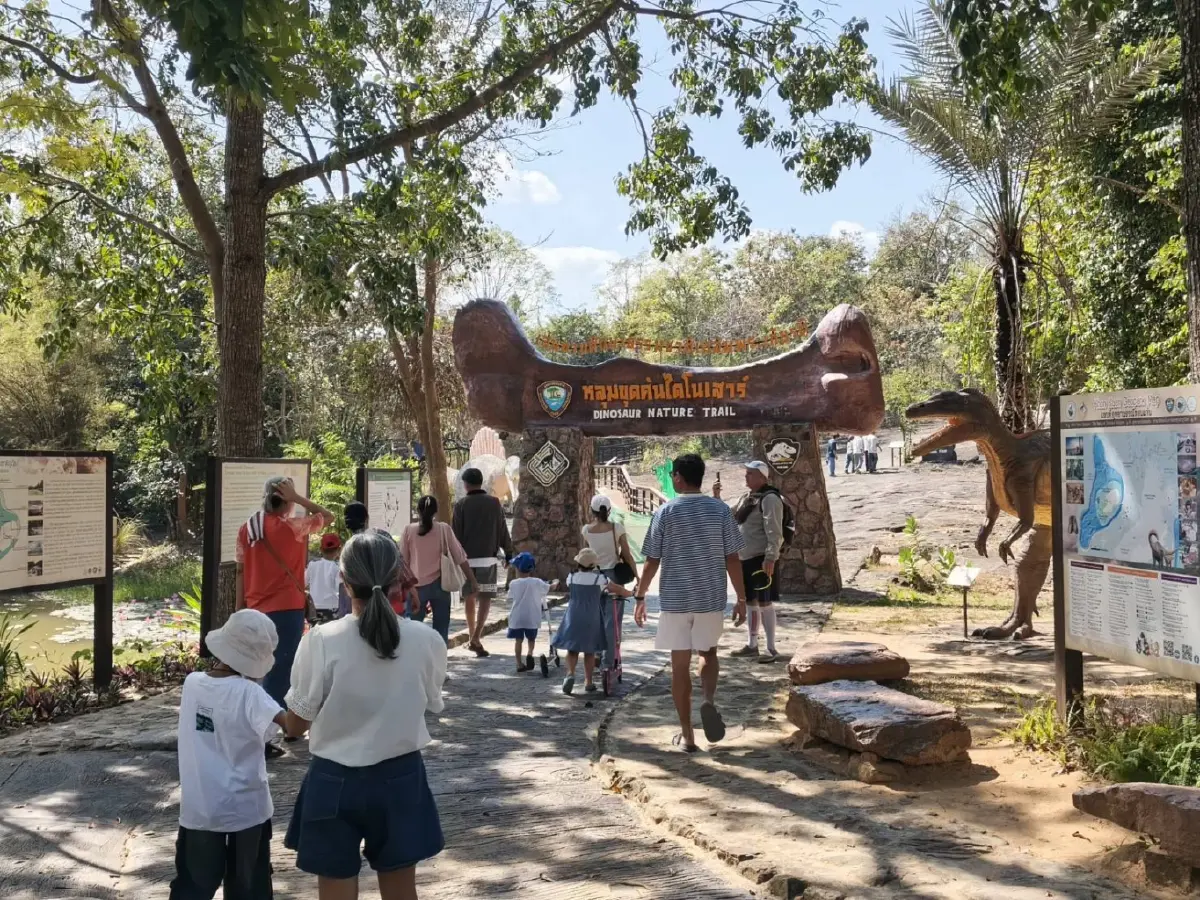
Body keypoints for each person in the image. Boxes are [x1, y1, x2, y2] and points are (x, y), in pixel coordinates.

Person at [284, 531, 447, 900]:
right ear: (396, 581)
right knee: (402, 891)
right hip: (401, 777)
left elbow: (297, 723)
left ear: (343, 582)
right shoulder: (426, 640)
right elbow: (432, 703)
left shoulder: (321, 640)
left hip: (333, 779)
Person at [634, 454, 746, 752]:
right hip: (709, 597)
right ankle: (708, 700)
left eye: (673, 475)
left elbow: (651, 560)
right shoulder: (720, 510)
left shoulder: (665, 512)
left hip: (675, 600)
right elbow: (733, 557)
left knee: (679, 666)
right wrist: (742, 598)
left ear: (679, 477)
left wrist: (640, 595)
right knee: (708, 653)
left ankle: (687, 736)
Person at [171, 609, 286, 900]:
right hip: (247, 809)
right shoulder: (251, 694)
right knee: (248, 888)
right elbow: (291, 725)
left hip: (200, 810)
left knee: (192, 887)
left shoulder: (193, 683)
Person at [235, 476, 333, 758]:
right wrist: (299, 498)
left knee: (254, 672)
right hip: (287, 609)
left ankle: (260, 730)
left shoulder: (248, 529)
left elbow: (240, 570)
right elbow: (328, 516)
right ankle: (268, 734)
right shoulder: (294, 527)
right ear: (287, 501)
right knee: (279, 673)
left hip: (254, 608)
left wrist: (241, 608)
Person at [718, 461, 784, 662]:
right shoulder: (747, 498)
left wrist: (771, 557)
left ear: (762, 477)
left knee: (765, 602)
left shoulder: (771, 499)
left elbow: (774, 531)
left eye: (750, 474)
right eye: (746, 473)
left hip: (761, 558)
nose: (746, 477)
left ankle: (771, 648)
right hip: (745, 558)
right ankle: (752, 644)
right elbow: (730, 515)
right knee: (751, 602)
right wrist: (716, 498)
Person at [453, 467, 514, 656]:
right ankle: (476, 637)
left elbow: (455, 534)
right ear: (481, 482)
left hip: (466, 561)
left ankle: (472, 634)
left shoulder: (461, 505)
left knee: (469, 598)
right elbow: (503, 529)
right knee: (485, 599)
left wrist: (455, 558)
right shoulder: (495, 503)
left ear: (465, 484)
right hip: (488, 559)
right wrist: (509, 553)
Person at [402, 495, 478, 644]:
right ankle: (440, 660)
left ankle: (416, 658)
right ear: (436, 511)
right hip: (440, 585)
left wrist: (405, 587)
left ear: (418, 510)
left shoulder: (409, 530)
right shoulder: (444, 529)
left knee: (413, 628)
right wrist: (473, 580)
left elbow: (403, 562)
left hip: (416, 588)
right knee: (441, 629)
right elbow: (460, 557)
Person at [555, 548, 632, 694]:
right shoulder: (600, 579)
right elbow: (616, 589)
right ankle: (588, 682)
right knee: (589, 650)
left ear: (578, 563)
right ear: (593, 565)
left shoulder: (571, 577)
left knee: (572, 649)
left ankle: (570, 674)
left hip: (573, 615)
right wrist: (632, 593)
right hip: (592, 616)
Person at [582, 495, 639, 674]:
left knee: (596, 619)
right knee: (612, 621)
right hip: (614, 577)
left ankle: (597, 653)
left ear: (592, 511)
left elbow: (585, 556)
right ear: (609, 510)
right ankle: (609, 662)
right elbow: (628, 555)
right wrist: (638, 577)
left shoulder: (586, 530)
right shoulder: (617, 528)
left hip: (593, 578)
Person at [343, 501, 419, 618]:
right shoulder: (382, 536)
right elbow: (400, 564)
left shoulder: (348, 548)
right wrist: (413, 592)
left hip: (361, 607)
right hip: (391, 599)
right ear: (367, 518)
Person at [506, 551, 554, 673]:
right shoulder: (537, 582)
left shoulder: (513, 583)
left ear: (517, 569)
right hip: (532, 616)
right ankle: (529, 653)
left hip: (517, 617)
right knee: (531, 639)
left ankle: (518, 663)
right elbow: (549, 588)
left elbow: (510, 598)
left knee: (518, 640)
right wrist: (555, 583)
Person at [307, 533, 342, 624]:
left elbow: (302, 583)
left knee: (315, 634)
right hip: (332, 607)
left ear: (321, 549)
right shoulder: (337, 568)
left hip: (313, 607)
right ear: (339, 550)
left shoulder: (312, 565)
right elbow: (339, 588)